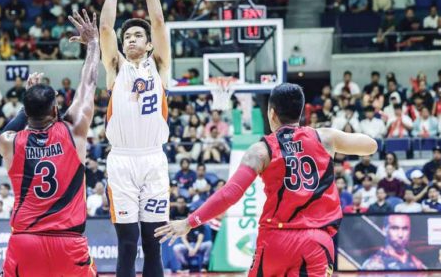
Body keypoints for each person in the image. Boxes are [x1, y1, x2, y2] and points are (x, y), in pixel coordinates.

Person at [155, 83, 378, 277]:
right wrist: (334, 141)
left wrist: (189, 222)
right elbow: (371, 145)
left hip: (276, 240)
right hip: (317, 241)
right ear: (300, 112)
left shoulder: (261, 150)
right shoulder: (325, 137)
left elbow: (229, 194)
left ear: (271, 114)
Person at [0, 10, 99, 277]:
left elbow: (11, 128)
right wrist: (93, 44)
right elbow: (88, 87)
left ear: (25, 110)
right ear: (55, 110)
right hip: (68, 241)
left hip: (25, 241)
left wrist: (28, 99)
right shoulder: (73, 131)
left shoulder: (9, 142)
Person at [100, 0, 172, 277]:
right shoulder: (115, 67)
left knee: (153, 244)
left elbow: (157, 19)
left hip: (153, 159)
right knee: (127, 245)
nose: (130, 38)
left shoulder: (159, 65)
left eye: (136, 36)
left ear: (147, 44)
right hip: (122, 161)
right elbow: (104, 28)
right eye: (127, 35)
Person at [361, 215, 426, 270]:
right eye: (395, 228)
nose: (400, 235)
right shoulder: (374, 265)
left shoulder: (416, 263)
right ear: (385, 230)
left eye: (405, 229)